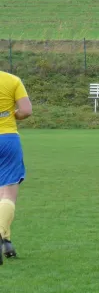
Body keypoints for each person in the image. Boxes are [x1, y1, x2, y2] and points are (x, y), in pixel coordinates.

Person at [0, 70, 32, 264]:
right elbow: (26, 110)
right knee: (7, 194)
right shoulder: (12, 80)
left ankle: (6, 240)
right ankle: (5, 239)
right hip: (7, 138)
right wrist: (14, 115)